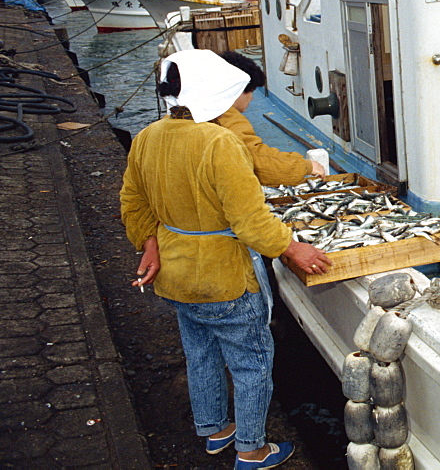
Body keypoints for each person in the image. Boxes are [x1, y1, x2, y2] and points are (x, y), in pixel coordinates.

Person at [120, 49, 332, 469]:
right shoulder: (221, 142)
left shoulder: (149, 135)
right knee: (252, 363)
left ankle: (215, 431)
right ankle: (251, 450)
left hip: (176, 274)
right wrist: (293, 247)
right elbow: (251, 222)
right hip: (224, 277)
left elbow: (132, 201)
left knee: (200, 353)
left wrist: (149, 242)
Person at [217, 50, 326, 186]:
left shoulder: (193, 109)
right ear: (237, 89)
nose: (252, 98)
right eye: (251, 91)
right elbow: (256, 161)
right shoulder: (226, 117)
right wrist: (305, 166)